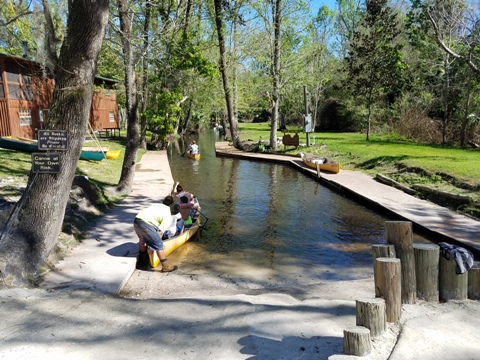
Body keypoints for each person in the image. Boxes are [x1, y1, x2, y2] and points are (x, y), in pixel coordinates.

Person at [133, 195, 177, 272]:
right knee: (159, 244)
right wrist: (152, 246)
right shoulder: (168, 216)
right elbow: (160, 233)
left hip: (137, 220)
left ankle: (143, 262)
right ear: (173, 213)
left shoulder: (159, 205)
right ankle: (165, 266)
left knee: (142, 240)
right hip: (146, 224)